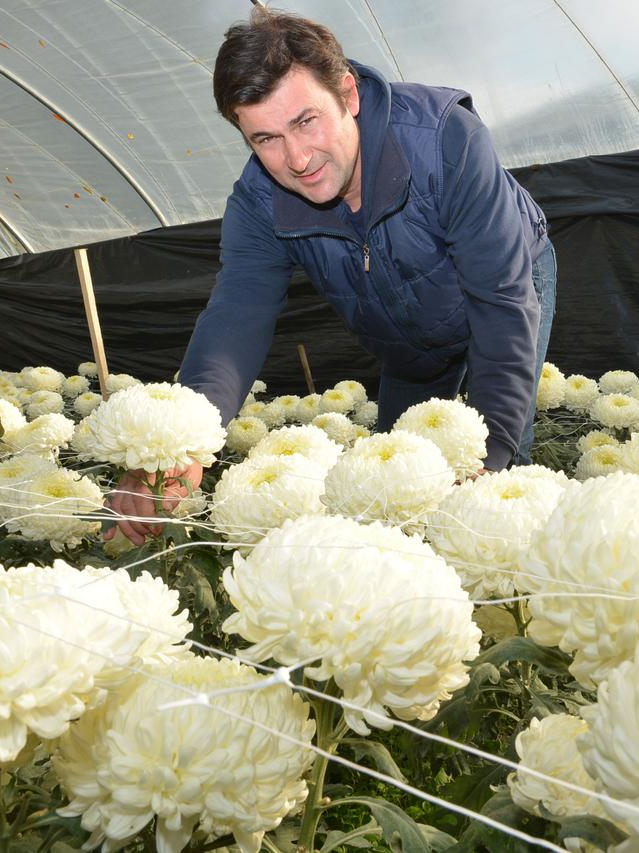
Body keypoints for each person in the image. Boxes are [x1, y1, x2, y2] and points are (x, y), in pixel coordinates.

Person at [109, 9, 556, 543]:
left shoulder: (444, 141)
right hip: (403, 335)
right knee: (387, 486)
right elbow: (235, 317)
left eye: (305, 121)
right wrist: (179, 446)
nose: (296, 159)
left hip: (503, 285)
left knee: (495, 484)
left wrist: (492, 455)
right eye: (265, 139)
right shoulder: (259, 203)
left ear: (349, 95)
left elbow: (501, 300)